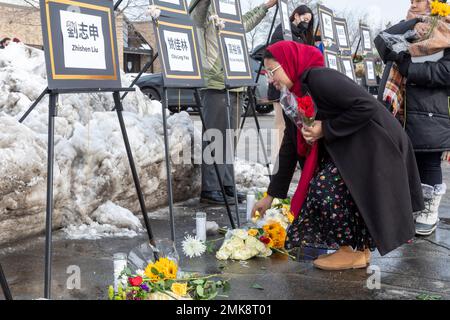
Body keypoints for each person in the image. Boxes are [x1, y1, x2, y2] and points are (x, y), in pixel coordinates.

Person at [252, 41, 424, 271]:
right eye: (266, 74)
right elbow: (290, 146)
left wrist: (325, 128)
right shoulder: (292, 97)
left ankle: (350, 251)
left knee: (326, 188)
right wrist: (270, 195)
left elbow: (366, 106)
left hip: (377, 145)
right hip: (354, 147)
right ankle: (358, 253)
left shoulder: (320, 78)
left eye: (272, 71)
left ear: (290, 63)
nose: (270, 79)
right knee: (339, 189)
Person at [190, 0, 278, 205]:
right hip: (216, 81)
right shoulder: (206, 8)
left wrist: (265, 7)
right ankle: (210, 188)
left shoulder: (230, 9)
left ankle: (226, 184)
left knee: (230, 138)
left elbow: (244, 23)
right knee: (214, 136)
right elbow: (194, 19)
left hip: (236, 80)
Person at [375, 0, 450, 236]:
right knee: (406, 161)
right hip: (400, 108)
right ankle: (412, 206)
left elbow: (446, 72)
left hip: (431, 110)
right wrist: (412, 22)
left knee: (428, 161)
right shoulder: (407, 28)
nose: (413, 4)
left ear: (435, 5)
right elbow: (382, 42)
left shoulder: (446, 31)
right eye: (411, 1)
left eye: (419, 1)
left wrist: (410, 68)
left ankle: (429, 211)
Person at [268, 5, 315, 154]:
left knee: (294, 126)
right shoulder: (283, 30)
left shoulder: (303, 36)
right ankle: (278, 157)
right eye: (305, 19)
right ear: (296, 15)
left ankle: (289, 158)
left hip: (296, 88)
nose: (306, 23)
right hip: (280, 85)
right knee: (281, 125)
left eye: (309, 21)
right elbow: (272, 53)